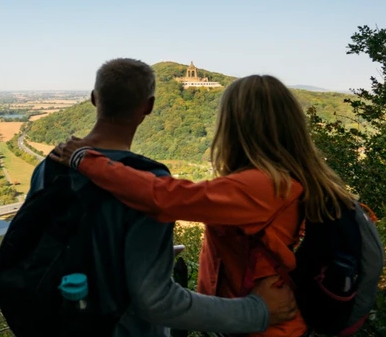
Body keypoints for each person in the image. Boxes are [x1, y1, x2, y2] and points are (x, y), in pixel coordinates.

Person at [50, 74, 357, 337]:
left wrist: (85, 160)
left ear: (236, 125)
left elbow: (165, 198)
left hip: (269, 327)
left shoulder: (264, 186)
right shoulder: (283, 179)